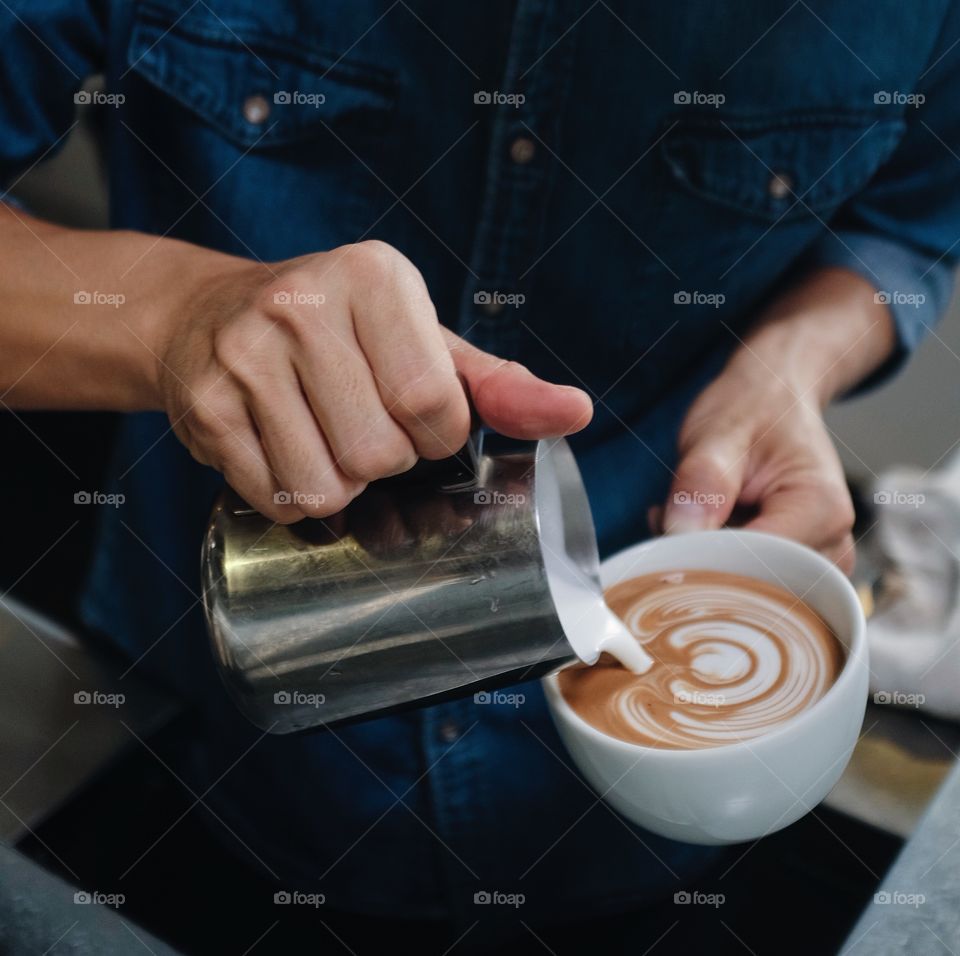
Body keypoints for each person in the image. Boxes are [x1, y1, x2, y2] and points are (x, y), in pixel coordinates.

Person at [1, 0, 958, 948]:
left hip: (651, 829)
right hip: (205, 732)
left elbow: (914, 221)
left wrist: (792, 365)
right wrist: (178, 316)